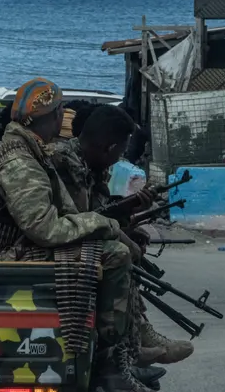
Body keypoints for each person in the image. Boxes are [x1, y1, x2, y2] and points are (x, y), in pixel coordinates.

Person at [0, 78, 163, 392]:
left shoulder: (28, 149)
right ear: (56, 115)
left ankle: (122, 355)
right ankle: (110, 371)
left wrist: (108, 225)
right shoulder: (20, 162)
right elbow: (45, 229)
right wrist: (102, 224)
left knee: (109, 246)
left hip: (16, 245)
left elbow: (64, 214)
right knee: (113, 255)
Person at [51, 102, 194, 367]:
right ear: (109, 147)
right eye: (120, 151)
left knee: (127, 248)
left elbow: (100, 212)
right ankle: (122, 351)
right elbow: (81, 222)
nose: (120, 158)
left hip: (72, 237)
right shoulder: (65, 164)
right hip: (54, 243)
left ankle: (137, 335)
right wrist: (121, 235)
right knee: (119, 255)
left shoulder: (90, 165)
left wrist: (129, 219)